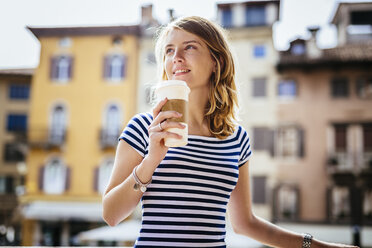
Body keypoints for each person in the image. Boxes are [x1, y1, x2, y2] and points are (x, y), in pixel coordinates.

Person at [102, 16, 359, 248]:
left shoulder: (237, 139)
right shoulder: (144, 128)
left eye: (189, 47)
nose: (176, 57)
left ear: (217, 61)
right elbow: (111, 215)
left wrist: (317, 246)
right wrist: (151, 160)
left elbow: (245, 223)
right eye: (169, 50)